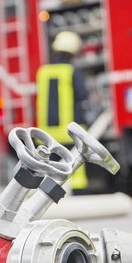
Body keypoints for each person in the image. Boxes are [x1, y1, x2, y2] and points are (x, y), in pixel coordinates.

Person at [36, 31, 89, 191]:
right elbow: (82, 94)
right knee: (74, 167)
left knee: (51, 169)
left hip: (47, 134)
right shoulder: (71, 71)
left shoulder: (43, 72)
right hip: (69, 132)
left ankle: (47, 196)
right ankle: (78, 193)